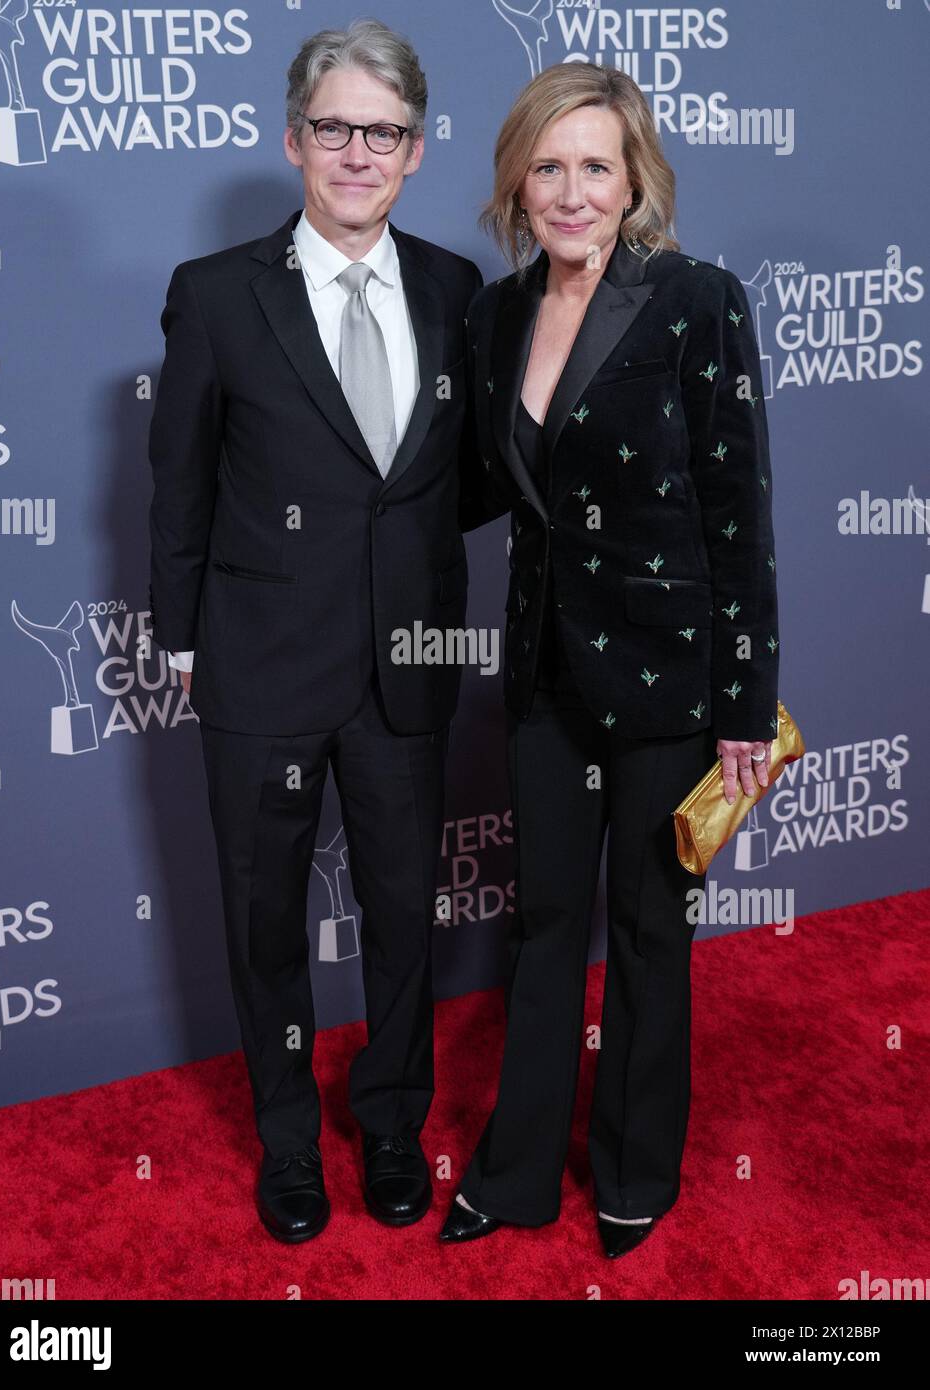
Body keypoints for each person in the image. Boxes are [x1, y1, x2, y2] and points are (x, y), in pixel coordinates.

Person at [147, 19, 482, 1244]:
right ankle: (289, 1141)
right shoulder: (217, 293)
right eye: (334, 127)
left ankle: (392, 1124)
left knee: (403, 915)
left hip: (409, 670)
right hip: (259, 667)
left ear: (415, 149)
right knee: (265, 921)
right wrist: (182, 644)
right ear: (294, 140)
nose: (356, 152)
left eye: (381, 132)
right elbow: (177, 483)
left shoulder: (455, 290)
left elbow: (463, 477)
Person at [443, 63, 780, 1258]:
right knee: (542, 927)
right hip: (538, 673)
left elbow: (739, 512)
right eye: (548, 166)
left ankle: (637, 1167)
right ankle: (518, 1169)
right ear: (516, 182)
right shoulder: (494, 314)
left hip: (668, 678)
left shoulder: (694, 299)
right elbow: (480, 489)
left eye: (596, 165)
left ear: (633, 178)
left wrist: (745, 704)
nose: (571, 191)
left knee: (648, 930)